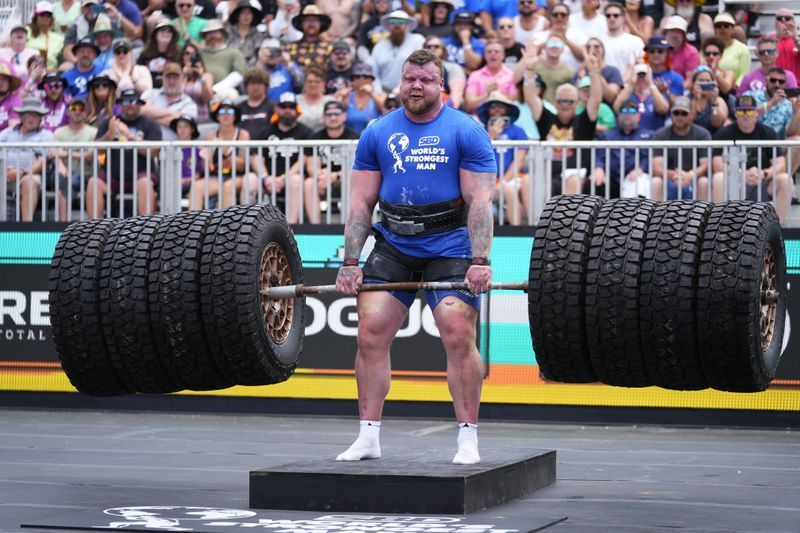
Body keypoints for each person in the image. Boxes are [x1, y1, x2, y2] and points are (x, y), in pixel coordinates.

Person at [334, 49, 496, 465]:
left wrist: (480, 259)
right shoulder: (376, 132)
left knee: (457, 332)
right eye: (410, 79)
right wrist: (350, 261)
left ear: (440, 84)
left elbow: (480, 202)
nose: (417, 86)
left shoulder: (466, 131)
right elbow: (360, 205)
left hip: (451, 245)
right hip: (394, 244)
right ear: (400, 82)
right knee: (370, 331)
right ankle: (368, 436)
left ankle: (467, 438)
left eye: (425, 79)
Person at [524, 46, 603, 195]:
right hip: (547, 174)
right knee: (528, 180)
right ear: (556, 103)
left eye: (569, 101)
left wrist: (593, 72)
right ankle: (536, 220)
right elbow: (531, 99)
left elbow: (595, 100)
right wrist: (529, 69)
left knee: (573, 180)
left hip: (575, 176)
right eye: (561, 101)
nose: (565, 105)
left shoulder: (584, 120)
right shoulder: (547, 118)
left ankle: (567, 220)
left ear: (576, 103)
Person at [711, 95, 791, 224]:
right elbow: (716, 164)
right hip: (735, 182)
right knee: (718, 177)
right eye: (741, 111)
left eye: (749, 111)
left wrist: (763, 173)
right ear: (735, 113)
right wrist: (741, 174)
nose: (745, 115)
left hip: (762, 182)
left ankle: (778, 228)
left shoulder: (768, 132)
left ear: (756, 113)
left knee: (785, 179)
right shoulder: (724, 133)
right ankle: (719, 227)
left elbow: (781, 164)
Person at [87, 88, 162, 217]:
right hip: (113, 176)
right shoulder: (110, 123)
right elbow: (98, 151)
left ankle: (147, 231)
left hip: (142, 175)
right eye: (126, 101)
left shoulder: (150, 124)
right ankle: (94, 230)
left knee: (144, 182)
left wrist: (129, 136)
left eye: (133, 101)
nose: (130, 105)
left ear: (139, 104)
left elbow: (154, 152)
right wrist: (109, 136)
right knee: (94, 182)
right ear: (120, 104)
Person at [301, 99, 360, 223]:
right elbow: (311, 166)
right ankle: (315, 228)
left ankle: (348, 226)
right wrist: (321, 176)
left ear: (344, 116)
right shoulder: (315, 138)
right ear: (323, 117)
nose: (333, 117)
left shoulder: (355, 138)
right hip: (322, 179)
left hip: (345, 178)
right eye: (329, 114)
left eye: (337, 113)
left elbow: (357, 166)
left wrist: (335, 175)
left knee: (351, 179)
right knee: (309, 183)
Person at [477, 91, 529, 225]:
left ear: (507, 109)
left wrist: (503, 181)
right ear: (487, 110)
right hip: (485, 182)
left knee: (510, 189)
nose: (497, 110)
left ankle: (519, 233)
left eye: (500, 106)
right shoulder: (480, 130)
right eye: (493, 107)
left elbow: (520, 159)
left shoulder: (518, 130)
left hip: (511, 179)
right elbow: (475, 155)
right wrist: (491, 136)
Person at [0, 98, 54, 221]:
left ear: (41, 118)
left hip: (28, 174)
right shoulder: (7, 133)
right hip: (4, 173)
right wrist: (4, 172)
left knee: (29, 181)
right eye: (28, 114)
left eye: (35, 115)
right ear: (22, 116)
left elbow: (42, 160)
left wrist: (21, 172)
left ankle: (26, 227)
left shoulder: (45, 135)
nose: (31, 118)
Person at [650, 95, 711, 201]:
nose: (680, 117)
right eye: (676, 113)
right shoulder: (660, 135)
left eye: (684, 113)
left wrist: (689, 175)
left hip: (694, 178)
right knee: (656, 181)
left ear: (691, 115)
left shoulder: (702, 134)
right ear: (671, 114)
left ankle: (703, 216)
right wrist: (673, 175)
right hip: (669, 179)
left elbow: (705, 165)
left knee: (703, 182)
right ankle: (657, 217)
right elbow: (656, 168)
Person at [591, 99, 652, 198]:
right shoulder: (607, 136)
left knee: (639, 182)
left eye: (632, 112)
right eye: (624, 111)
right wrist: (599, 168)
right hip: (611, 177)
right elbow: (599, 156)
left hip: (634, 175)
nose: (628, 114)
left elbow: (647, 157)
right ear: (618, 116)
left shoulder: (647, 136)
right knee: (595, 182)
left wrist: (641, 169)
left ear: (638, 116)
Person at [53, 96, 97, 219]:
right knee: (61, 178)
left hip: (86, 175)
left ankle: (90, 227)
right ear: (68, 112)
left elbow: (90, 157)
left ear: (86, 112)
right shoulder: (59, 132)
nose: (77, 111)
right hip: (63, 174)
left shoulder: (93, 132)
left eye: (81, 108)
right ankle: (62, 226)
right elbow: (53, 153)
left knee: (64, 180)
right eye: (74, 108)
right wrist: (60, 164)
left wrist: (67, 153)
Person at [371, 10, 425, 93]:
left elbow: (422, 67)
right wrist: (379, 92)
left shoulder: (418, 40)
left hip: (412, 91)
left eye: (401, 22)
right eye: (393, 21)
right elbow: (374, 73)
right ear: (388, 25)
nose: (397, 25)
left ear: (407, 25)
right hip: (384, 92)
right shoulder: (379, 46)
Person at [464, 39, 518, 113]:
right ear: (484, 55)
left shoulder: (511, 75)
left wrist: (498, 93)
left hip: (505, 117)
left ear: (503, 55)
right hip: (479, 119)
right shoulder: (475, 76)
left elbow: (515, 102)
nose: (492, 54)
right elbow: (469, 105)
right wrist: (487, 95)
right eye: (489, 52)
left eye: (496, 51)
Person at [137, 19, 180, 89]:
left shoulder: (177, 54)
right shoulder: (145, 54)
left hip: (170, 88)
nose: (166, 33)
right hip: (148, 88)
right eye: (162, 30)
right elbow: (138, 71)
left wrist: (166, 69)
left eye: (169, 31)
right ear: (155, 34)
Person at [714, 11, 750, 88]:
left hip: (735, 90)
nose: (722, 28)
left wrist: (736, 87)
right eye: (718, 26)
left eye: (726, 25)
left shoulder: (742, 48)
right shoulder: (709, 47)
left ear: (733, 29)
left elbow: (745, 73)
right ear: (715, 29)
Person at [343, 63, 382, 134]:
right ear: (353, 80)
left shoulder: (379, 96)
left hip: (373, 139)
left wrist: (371, 93)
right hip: (350, 141)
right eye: (357, 77)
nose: (361, 79)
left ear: (372, 80)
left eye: (366, 76)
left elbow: (387, 111)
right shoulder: (347, 96)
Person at [689, 66, 728, 136]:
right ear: (694, 83)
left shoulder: (719, 100)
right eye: (701, 81)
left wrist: (714, 103)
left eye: (708, 81)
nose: (705, 84)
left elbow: (717, 123)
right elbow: (688, 121)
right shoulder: (687, 100)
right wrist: (696, 99)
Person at [27, 1, 65, 71]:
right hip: (28, 72)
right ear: (36, 16)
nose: (45, 17)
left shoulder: (59, 38)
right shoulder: (28, 31)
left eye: (48, 15)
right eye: (42, 14)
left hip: (50, 73)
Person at [226, 0, 266, 67]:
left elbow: (257, 55)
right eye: (243, 12)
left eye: (249, 13)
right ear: (237, 15)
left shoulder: (258, 34)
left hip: (251, 69)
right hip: (229, 66)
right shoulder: (228, 31)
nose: (246, 16)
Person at [662, 15, 699, 82]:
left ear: (684, 36)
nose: (675, 35)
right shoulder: (658, 49)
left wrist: (674, 90)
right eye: (672, 31)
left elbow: (689, 81)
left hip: (682, 89)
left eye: (678, 32)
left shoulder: (691, 52)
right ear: (665, 33)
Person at [775, 8, 800, 82]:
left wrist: (795, 37)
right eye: (779, 18)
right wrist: (778, 36)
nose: (783, 20)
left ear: (793, 22)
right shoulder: (768, 39)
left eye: (787, 18)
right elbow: (767, 56)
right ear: (775, 23)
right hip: (775, 84)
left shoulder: (798, 39)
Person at [0, 63, 24, 132]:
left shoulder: (16, 101)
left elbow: (13, 129)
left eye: (4, 79)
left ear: (10, 83)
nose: (1, 82)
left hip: (5, 141)